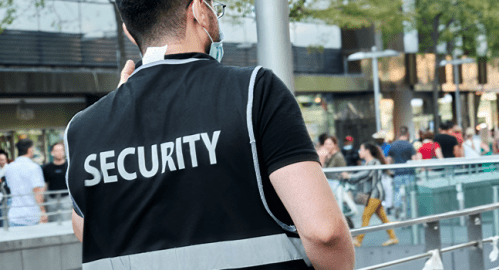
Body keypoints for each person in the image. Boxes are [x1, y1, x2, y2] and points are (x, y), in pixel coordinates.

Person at [66, 1, 354, 269]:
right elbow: (324, 233)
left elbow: (85, 231)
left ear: (129, 32)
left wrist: (117, 117)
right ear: (200, 10)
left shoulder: (83, 128)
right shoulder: (255, 92)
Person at [345, 143, 398, 247]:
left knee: (366, 216)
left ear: (367, 151)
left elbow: (365, 175)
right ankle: (393, 238)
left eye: (361, 149)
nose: (359, 152)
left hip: (375, 193)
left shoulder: (374, 162)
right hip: (373, 194)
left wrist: (350, 176)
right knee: (383, 217)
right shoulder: (369, 163)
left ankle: (358, 240)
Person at [4, 139, 47, 227]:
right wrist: (43, 211)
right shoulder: (34, 167)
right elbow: (37, 191)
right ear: (29, 149)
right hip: (31, 215)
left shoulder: (9, 168)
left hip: (14, 215)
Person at [387, 126, 417, 219]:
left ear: (399, 134)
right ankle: (408, 213)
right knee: (408, 193)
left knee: (397, 191)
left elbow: (388, 159)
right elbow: (414, 159)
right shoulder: (409, 145)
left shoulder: (393, 145)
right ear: (407, 134)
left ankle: (397, 207)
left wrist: (389, 170)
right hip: (409, 172)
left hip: (397, 172)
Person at [42, 142, 71, 222]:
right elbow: (44, 185)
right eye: (56, 151)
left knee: (66, 222)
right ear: (52, 153)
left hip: (67, 199)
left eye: (61, 150)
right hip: (52, 199)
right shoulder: (46, 168)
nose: (59, 153)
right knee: (53, 224)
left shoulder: (69, 166)